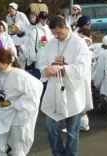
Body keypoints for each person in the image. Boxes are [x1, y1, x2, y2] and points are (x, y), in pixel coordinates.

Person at [38, 16, 92, 156]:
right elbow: (42, 61)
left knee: (72, 130)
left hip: (73, 91)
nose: (57, 36)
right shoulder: (51, 44)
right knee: (50, 126)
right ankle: (58, 153)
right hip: (55, 89)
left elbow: (82, 67)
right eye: (54, 34)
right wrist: (46, 70)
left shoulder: (79, 44)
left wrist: (61, 69)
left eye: (59, 33)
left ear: (66, 28)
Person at [0, 48, 43, 156]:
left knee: (18, 149)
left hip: (17, 115)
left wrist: (18, 105)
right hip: (2, 113)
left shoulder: (21, 75)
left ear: (5, 62)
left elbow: (37, 88)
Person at [27, 11, 53, 79]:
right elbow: (32, 43)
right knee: (39, 76)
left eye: (45, 19)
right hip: (39, 55)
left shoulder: (49, 29)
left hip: (48, 55)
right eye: (42, 18)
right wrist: (33, 57)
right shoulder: (35, 29)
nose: (44, 20)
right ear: (39, 19)